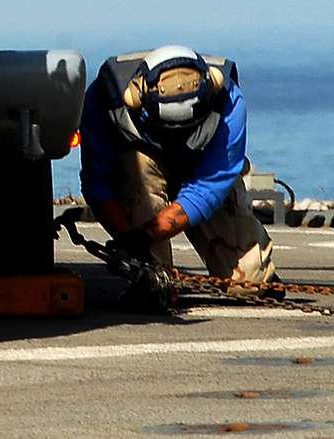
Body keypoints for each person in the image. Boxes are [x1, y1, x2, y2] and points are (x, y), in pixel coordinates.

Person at [79, 44, 279, 292]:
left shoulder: (228, 99)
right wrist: (128, 239)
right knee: (135, 164)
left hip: (201, 171)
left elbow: (209, 186)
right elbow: (98, 183)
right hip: (141, 176)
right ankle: (153, 278)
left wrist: (147, 236)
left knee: (250, 285)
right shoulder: (103, 99)